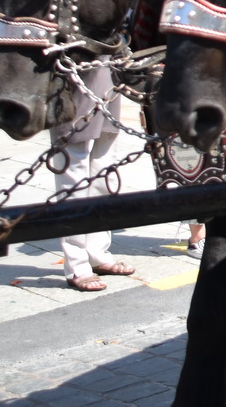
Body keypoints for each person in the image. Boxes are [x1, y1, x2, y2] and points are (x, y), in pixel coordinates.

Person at [52, 62, 136, 291]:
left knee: (103, 172)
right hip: (72, 72)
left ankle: (98, 253)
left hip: (107, 69)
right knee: (74, 177)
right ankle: (77, 264)